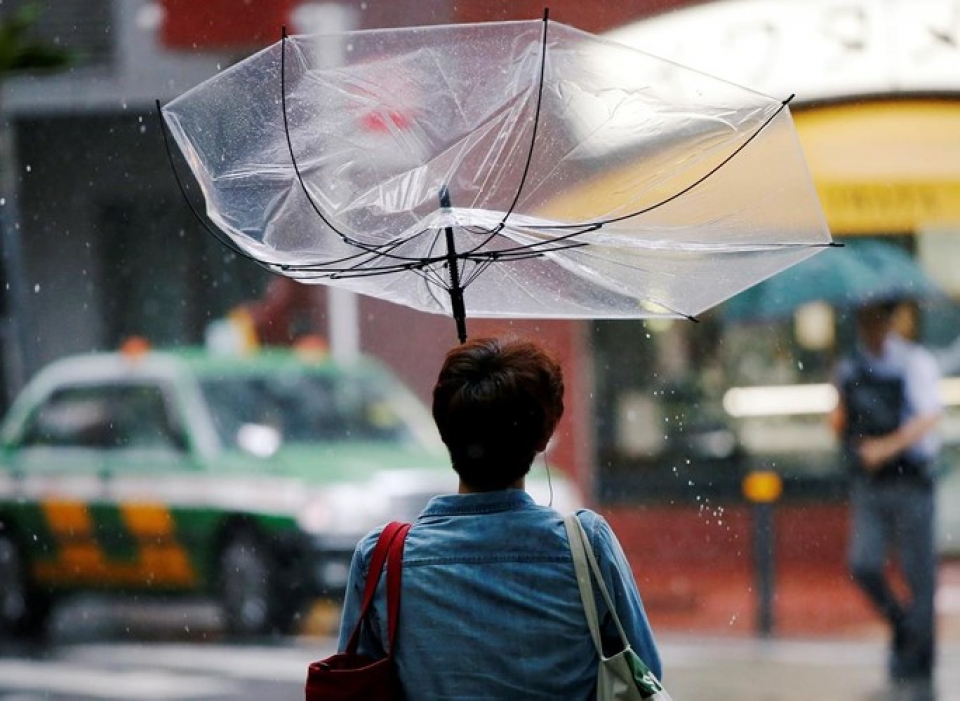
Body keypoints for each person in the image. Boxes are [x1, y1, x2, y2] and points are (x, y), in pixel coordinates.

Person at [337, 337, 662, 699]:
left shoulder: (382, 558)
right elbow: (644, 675)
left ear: (444, 432)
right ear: (543, 437)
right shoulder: (587, 546)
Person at [833, 300, 942, 686]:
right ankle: (904, 628)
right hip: (871, 483)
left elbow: (928, 417)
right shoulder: (850, 367)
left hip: (911, 479)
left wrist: (887, 447)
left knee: (918, 573)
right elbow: (842, 420)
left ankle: (918, 658)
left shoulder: (915, 362)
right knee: (864, 563)